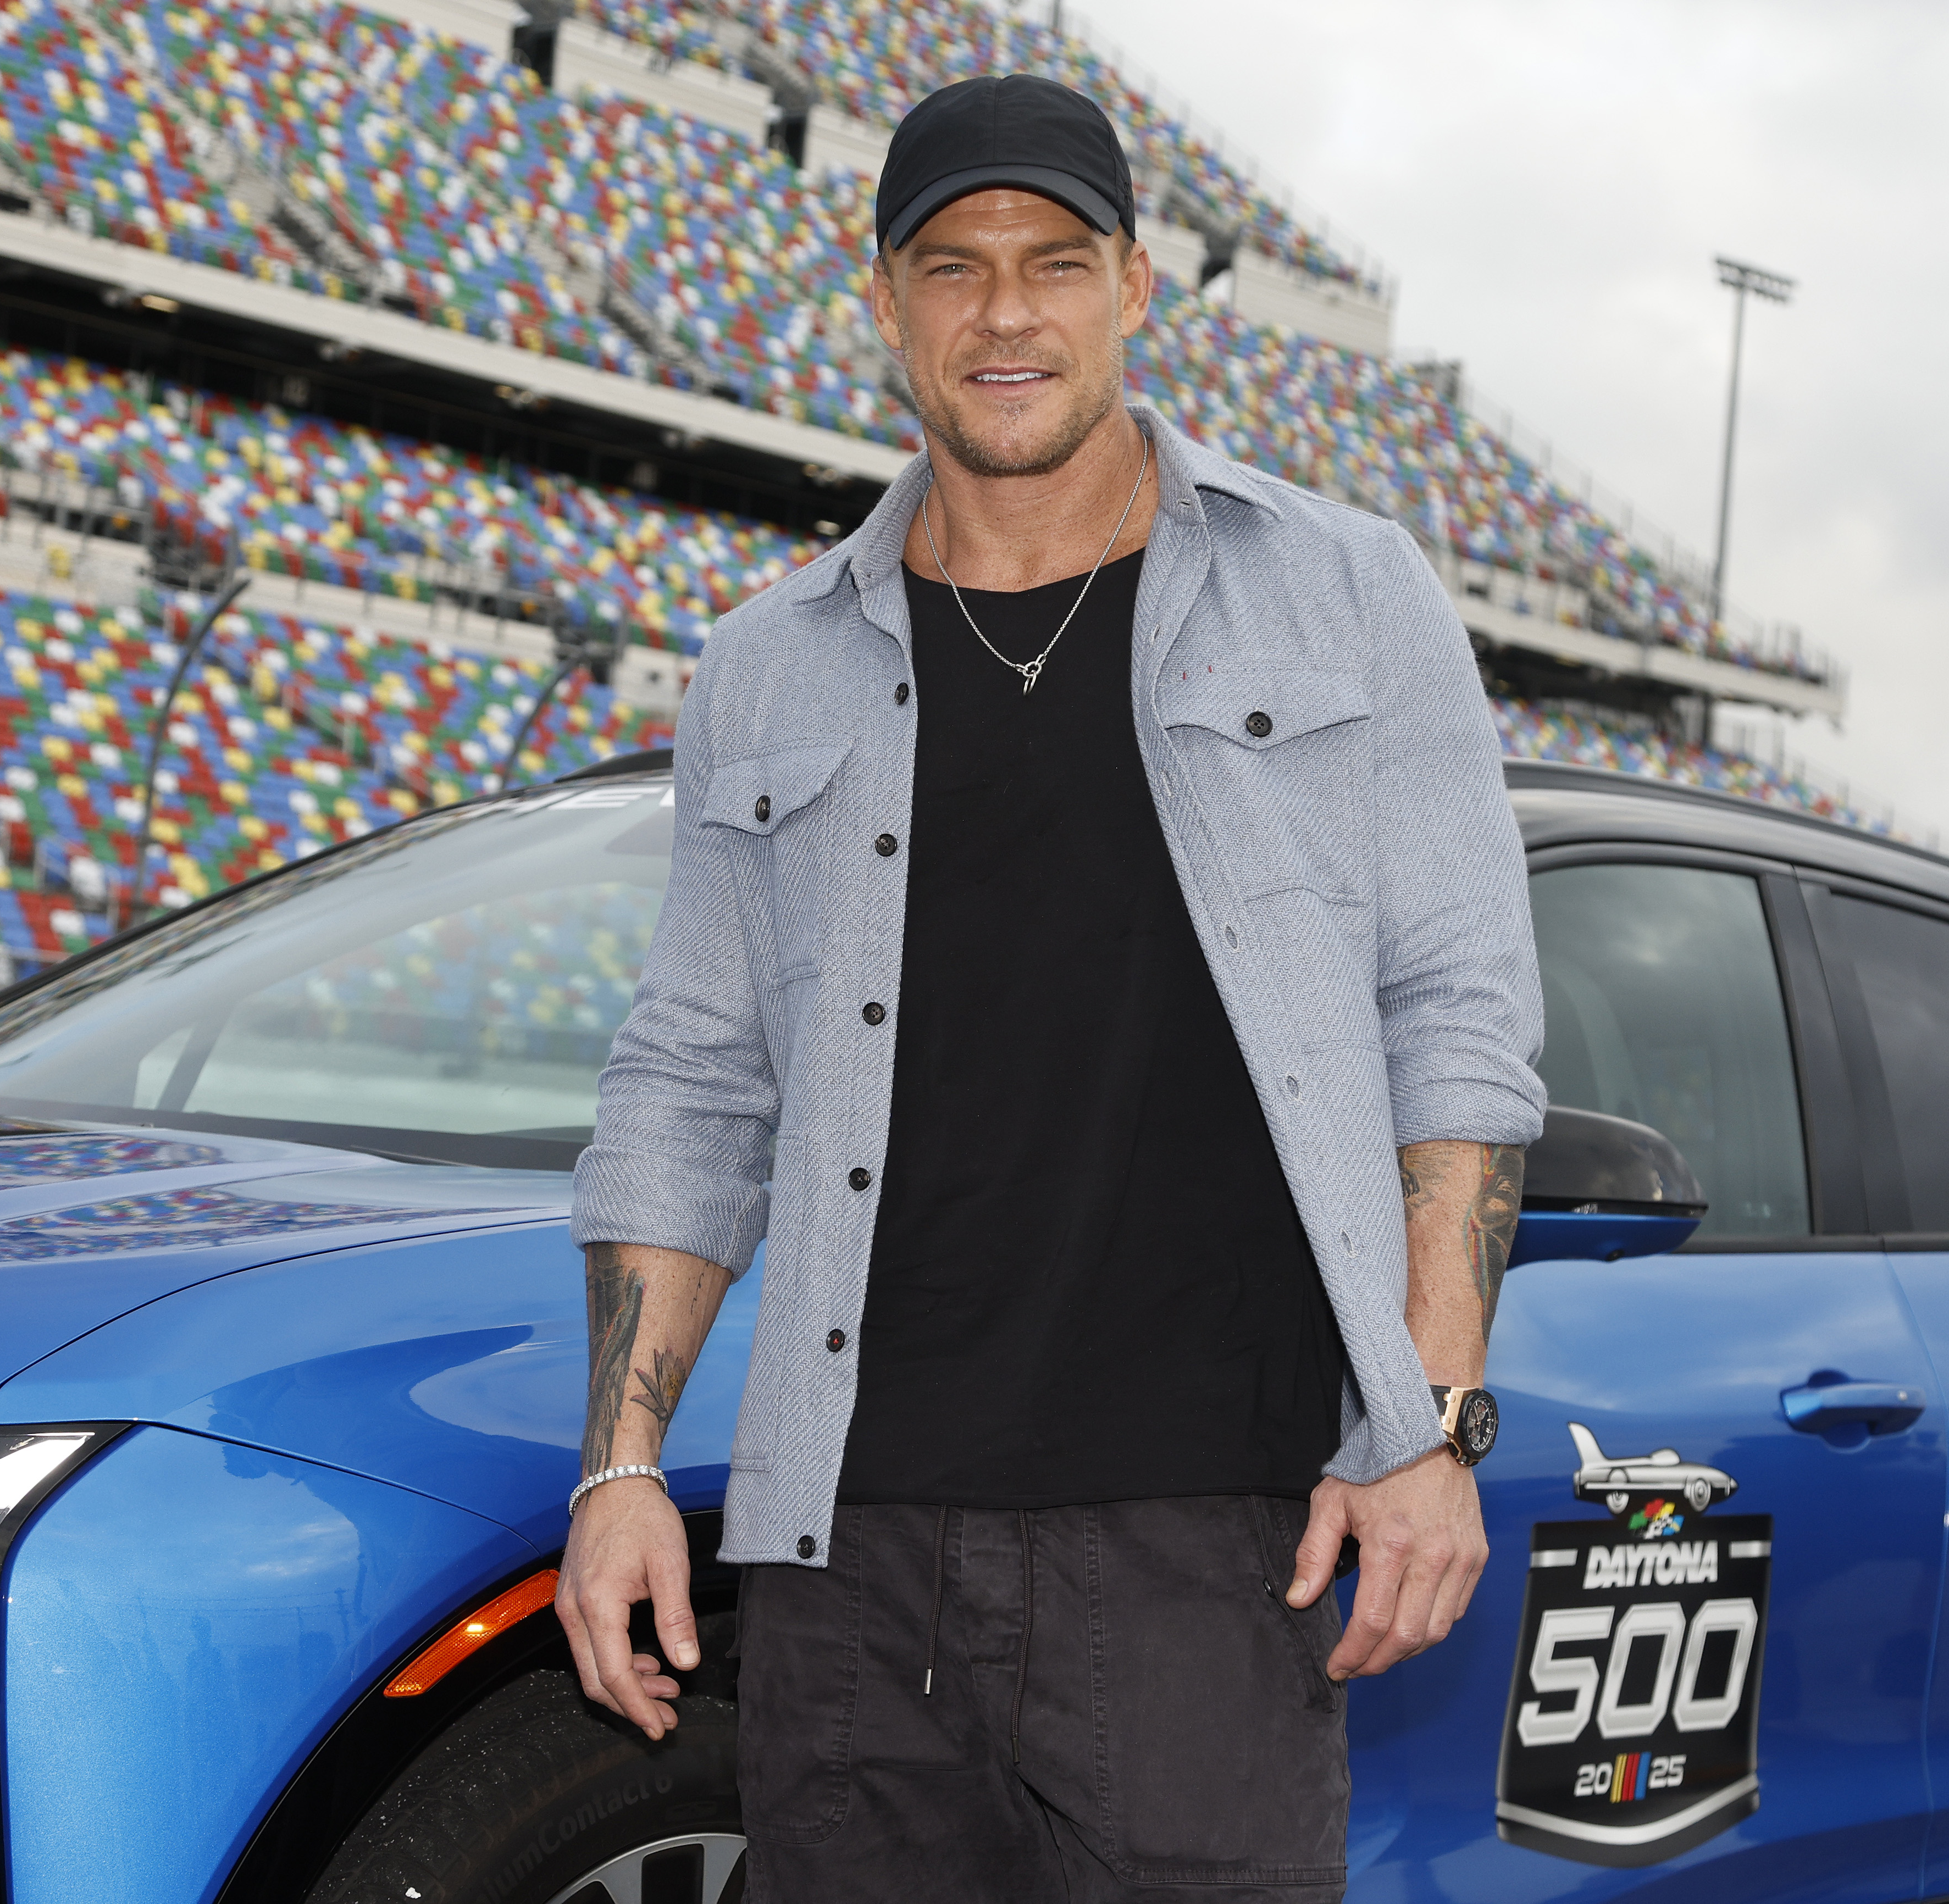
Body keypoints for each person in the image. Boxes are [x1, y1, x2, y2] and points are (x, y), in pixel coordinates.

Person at [558, 70, 1543, 1903]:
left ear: (1135, 288)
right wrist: (618, 1469)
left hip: (1213, 1554)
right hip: (850, 1555)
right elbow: (689, 1090)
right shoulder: (765, 667)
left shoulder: (1348, 595)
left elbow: (1460, 1031)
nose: (1004, 311)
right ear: (885, 303)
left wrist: (1425, 1427)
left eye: (1054, 261)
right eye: (951, 266)